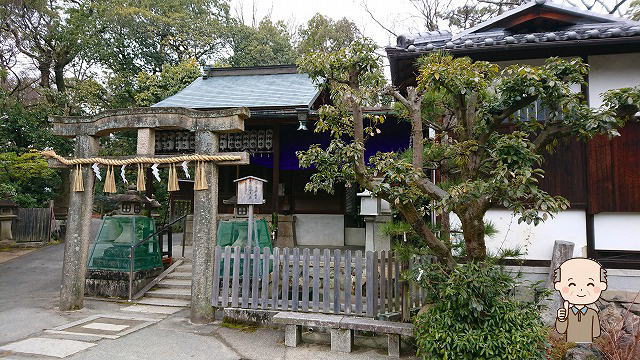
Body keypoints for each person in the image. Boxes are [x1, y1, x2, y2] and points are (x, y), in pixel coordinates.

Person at [554, 258, 607, 343]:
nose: (581, 289)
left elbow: (596, 333)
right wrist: (561, 319)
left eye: (590, 284)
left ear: (602, 286)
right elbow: (560, 330)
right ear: (559, 286)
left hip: (587, 344)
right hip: (570, 344)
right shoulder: (568, 313)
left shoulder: (592, 313)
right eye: (572, 284)